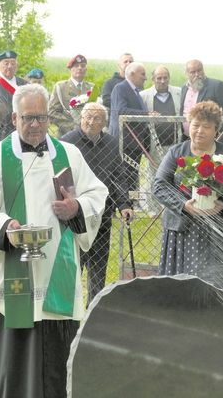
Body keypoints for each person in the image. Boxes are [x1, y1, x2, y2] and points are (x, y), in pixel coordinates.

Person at [0, 83, 108, 398]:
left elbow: (97, 194)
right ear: (14, 118)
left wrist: (76, 207)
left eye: (41, 117)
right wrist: (6, 226)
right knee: (14, 354)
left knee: (57, 354)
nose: (35, 124)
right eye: (28, 118)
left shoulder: (69, 154)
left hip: (59, 270)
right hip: (14, 269)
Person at [153, 101, 223, 292]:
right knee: (180, 286)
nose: (199, 131)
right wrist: (183, 205)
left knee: (215, 285)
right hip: (182, 230)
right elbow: (159, 185)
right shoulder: (176, 153)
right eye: (195, 125)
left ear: (216, 130)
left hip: (218, 232)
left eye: (206, 127)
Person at [61, 102, 134, 303]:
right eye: (87, 117)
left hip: (102, 214)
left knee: (99, 265)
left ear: (104, 122)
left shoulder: (111, 144)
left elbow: (119, 176)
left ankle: (93, 308)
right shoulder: (67, 142)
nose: (91, 122)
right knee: (73, 265)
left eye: (97, 119)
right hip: (74, 217)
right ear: (81, 118)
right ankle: (68, 308)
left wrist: (124, 204)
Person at [109, 62, 150, 192]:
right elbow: (120, 110)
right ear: (132, 74)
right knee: (124, 177)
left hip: (135, 144)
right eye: (142, 74)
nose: (145, 78)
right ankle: (125, 206)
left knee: (132, 177)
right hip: (124, 143)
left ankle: (131, 206)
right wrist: (147, 114)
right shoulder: (120, 88)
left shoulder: (136, 92)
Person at [180, 59, 223, 137]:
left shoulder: (217, 86)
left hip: (209, 139)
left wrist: (218, 135)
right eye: (193, 72)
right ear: (186, 74)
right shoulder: (184, 88)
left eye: (199, 70)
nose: (197, 74)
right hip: (187, 137)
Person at [48, 54, 94, 137]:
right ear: (70, 69)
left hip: (89, 136)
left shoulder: (92, 88)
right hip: (66, 135)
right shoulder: (60, 87)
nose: (80, 68)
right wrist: (73, 127)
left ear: (86, 69)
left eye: (83, 66)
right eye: (76, 66)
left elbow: (96, 110)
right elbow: (52, 112)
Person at [140, 65, 182, 147]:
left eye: (165, 78)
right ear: (153, 80)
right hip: (153, 144)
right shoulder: (143, 96)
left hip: (176, 143)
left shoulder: (179, 93)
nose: (163, 81)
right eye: (159, 78)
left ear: (169, 78)